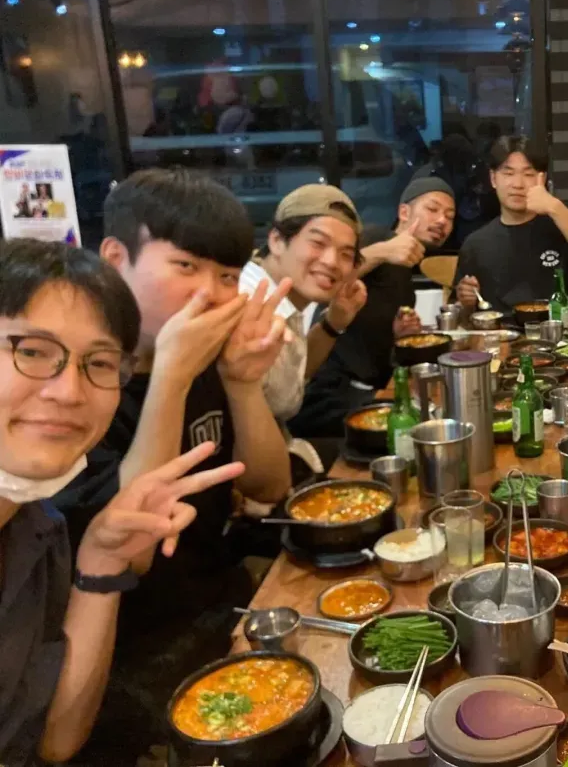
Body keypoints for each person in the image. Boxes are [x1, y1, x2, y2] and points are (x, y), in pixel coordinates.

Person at [52, 168, 292, 761]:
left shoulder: (206, 361)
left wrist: (241, 383)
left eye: (228, 276)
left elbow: (269, 486)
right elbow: (127, 547)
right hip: (125, 654)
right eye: (186, 266)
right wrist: (174, 375)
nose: (209, 292)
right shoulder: (71, 395)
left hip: (222, 608)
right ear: (114, 259)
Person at [0, 239, 243, 766]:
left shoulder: (38, 530)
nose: (68, 391)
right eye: (32, 351)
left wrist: (102, 561)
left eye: (99, 363)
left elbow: (53, 741)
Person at [287, 177, 456, 441]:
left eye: (450, 216)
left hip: (366, 388)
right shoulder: (377, 238)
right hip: (328, 393)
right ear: (404, 212)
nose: (442, 221)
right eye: (432, 209)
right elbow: (331, 281)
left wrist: (400, 335)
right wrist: (383, 250)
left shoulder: (405, 278)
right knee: (419, 424)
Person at [238, 184, 368, 423]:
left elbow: (291, 379)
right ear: (277, 240)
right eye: (318, 243)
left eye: (346, 254)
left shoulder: (285, 300)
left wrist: (333, 324)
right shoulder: (251, 303)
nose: (331, 261)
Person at [453, 136, 568, 315]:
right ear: (493, 178)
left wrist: (554, 206)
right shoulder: (475, 244)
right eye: (508, 173)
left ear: (542, 179)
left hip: (560, 338)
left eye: (528, 174)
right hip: (501, 338)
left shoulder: (561, 225)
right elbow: (465, 317)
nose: (518, 184)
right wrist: (465, 302)